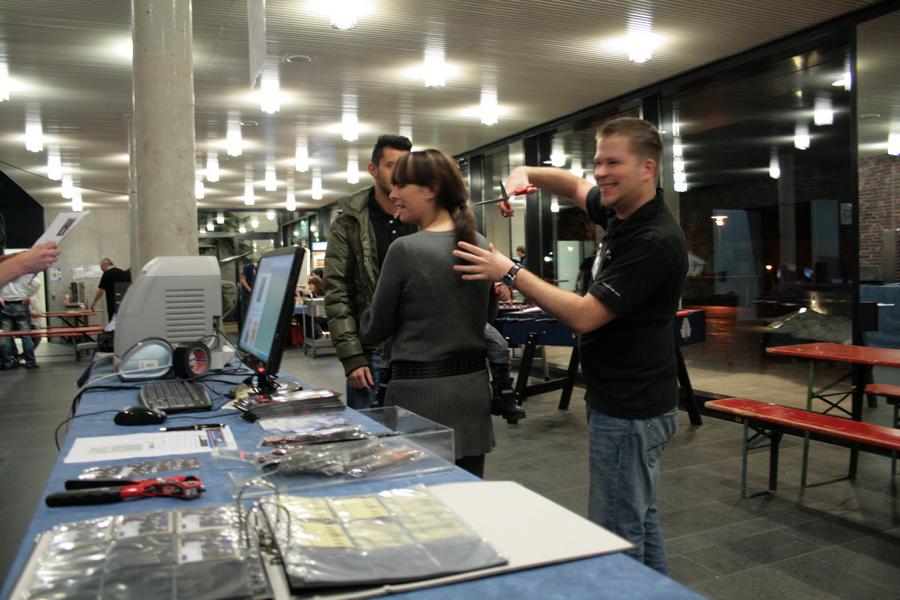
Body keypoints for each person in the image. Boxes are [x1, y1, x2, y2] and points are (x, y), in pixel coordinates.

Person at [453, 117, 687, 573]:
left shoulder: (653, 239)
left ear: (647, 168)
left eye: (613, 163)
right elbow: (574, 186)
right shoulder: (621, 210)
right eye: (598, 162)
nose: (600, 173)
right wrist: (524, 174)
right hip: (624, 400)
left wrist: (509, 271)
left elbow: (584, 315)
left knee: (617, 532)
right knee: (639, 519)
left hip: (631, 409)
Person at [359, 149, 495, 477]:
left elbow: (374, 328)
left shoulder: (406, 250)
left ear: (431, 189)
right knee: (467, 493)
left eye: (400, 185)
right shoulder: (479, 243)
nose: (393, 194)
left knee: (423, 499)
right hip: (472, 395)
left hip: (420, 400)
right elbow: (486, 317)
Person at [324, 134, 414, 409]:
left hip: (419, 348)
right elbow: (337, 290)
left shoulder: (422, 215)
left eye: (405, 166)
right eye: (391, 165)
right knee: (371, 431)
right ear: (373, 169)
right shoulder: (349, 222)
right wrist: (352, 357)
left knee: (422, 431)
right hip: (371, 351)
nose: (399, 174)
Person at [0, 276, 41, 369]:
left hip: (5, 304)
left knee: (5, 336)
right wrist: (28, 295)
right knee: (26, 335)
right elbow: (37, 283)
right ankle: (30, 362)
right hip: (21, 303)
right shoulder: (23, 270)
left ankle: (7, 363)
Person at [238, 257, 258, 330]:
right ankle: (246, 328)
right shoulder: (247, 267)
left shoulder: (257, 269)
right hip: (247, 294)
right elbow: (242, 280)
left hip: (254, 293)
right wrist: (249, 289)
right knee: (247, 311)